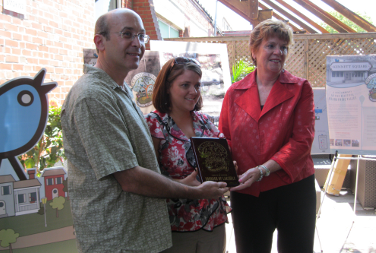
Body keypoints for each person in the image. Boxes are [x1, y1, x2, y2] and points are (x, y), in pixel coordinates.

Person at [61, 8, 228, 253]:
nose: (137, 43)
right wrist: (191, 190)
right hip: (115, 240)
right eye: (127, 34)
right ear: (100, 42)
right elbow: (129, 178)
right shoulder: (93, 96)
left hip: (137, 235)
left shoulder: (121, 90)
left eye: (142, 36)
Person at [219, 19, 316, 253]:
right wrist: (221, 169)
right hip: (248, 190)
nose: (278, 52)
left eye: (283, 47)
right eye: (270, 45)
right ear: (253, 50)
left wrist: (263, 169)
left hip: (293, 186)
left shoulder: (301, 89)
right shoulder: (234, 93)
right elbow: (225, 138)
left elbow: (302, 142)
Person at [145, 57, 231, 253]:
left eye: (197, 85)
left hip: (212, 221)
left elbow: (221, 160)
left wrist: (227, 169)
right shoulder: (154, 124)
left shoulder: (204, 121)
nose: (194, 91)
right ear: (167, 87)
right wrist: (183, 185)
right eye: (185, 85)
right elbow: (146, 178)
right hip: (175, 226)